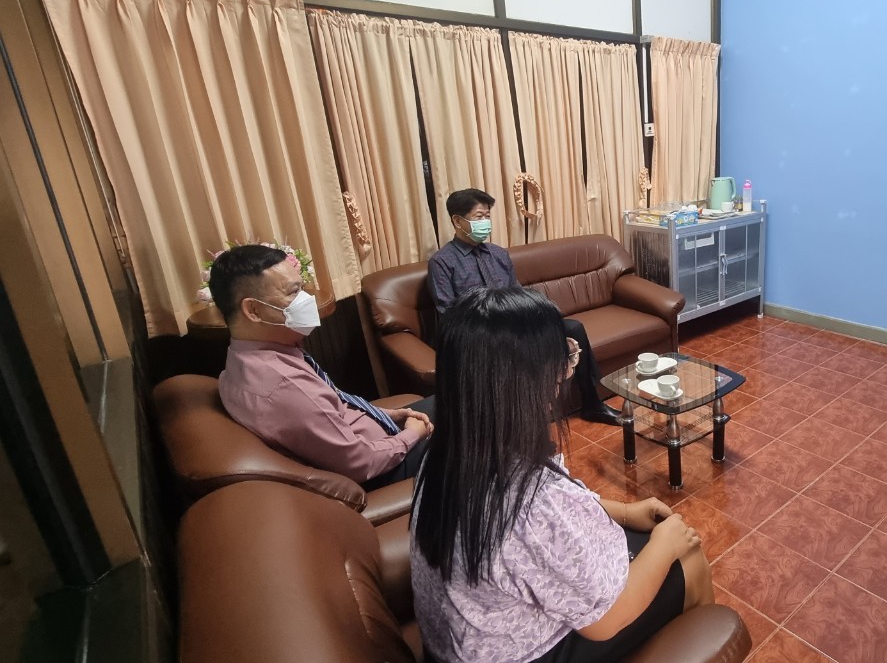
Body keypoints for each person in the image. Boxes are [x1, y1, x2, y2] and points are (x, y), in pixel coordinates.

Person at [410, 287, 715, 663]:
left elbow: (536, 537)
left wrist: (622, 510)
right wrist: (666, 545)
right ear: (524, 385)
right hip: (520, 654)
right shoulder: (531, 504)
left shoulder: (442, 454)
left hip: (458, 645)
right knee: (688, 558)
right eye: (559, 365)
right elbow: (605, 621)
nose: (562, 378)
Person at [211, 244, 434, 489]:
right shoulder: (285, 385)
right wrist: (412, 435)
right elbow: (360, 462)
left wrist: (387, 415)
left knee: (452, 400)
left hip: (376, 436)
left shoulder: (245, 357)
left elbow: (332, 410)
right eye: (294, 291)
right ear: (253, 310)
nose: (307, 299)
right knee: (467, 427)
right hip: (383, 466)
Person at [428, 188, 621, 425]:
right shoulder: (442, 262)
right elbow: (448, 313)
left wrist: (539, 313)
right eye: (479, 217)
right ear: (458, 221)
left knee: (573, 328)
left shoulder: (498, 254)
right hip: (482, 336)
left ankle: (592, 404)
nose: (486, 222)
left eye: (488, 216)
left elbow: (518, 293)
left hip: (516, 325)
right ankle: (525, 424)